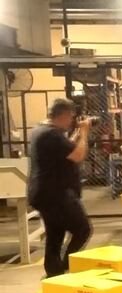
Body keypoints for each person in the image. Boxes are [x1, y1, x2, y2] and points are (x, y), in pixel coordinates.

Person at [27, 98, 92, 278]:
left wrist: (77, 132)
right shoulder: (51, 135)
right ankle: (66, 266)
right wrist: (84, 133)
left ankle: (54, 272)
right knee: (82, 229)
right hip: (55, 194)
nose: (72, 121)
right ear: (63, 115)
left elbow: (66, 148)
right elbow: (77, 155)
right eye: (71, 117)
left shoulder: (42, 130)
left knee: (55, 233)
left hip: (44, 193)